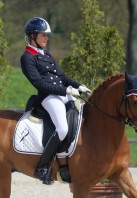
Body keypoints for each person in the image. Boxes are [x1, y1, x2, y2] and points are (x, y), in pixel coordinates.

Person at [20, 17, 91, 185]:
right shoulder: (27, 58)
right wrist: (65, 90)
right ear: (32, 36)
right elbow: (39, 83)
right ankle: (43, 167)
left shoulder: (47, 55)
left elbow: (62, 77)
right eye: (43, 35)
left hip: (62, 93)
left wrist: (78, 86)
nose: (47, 38)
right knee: (62, 128)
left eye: (47, 35)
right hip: (48, 97)